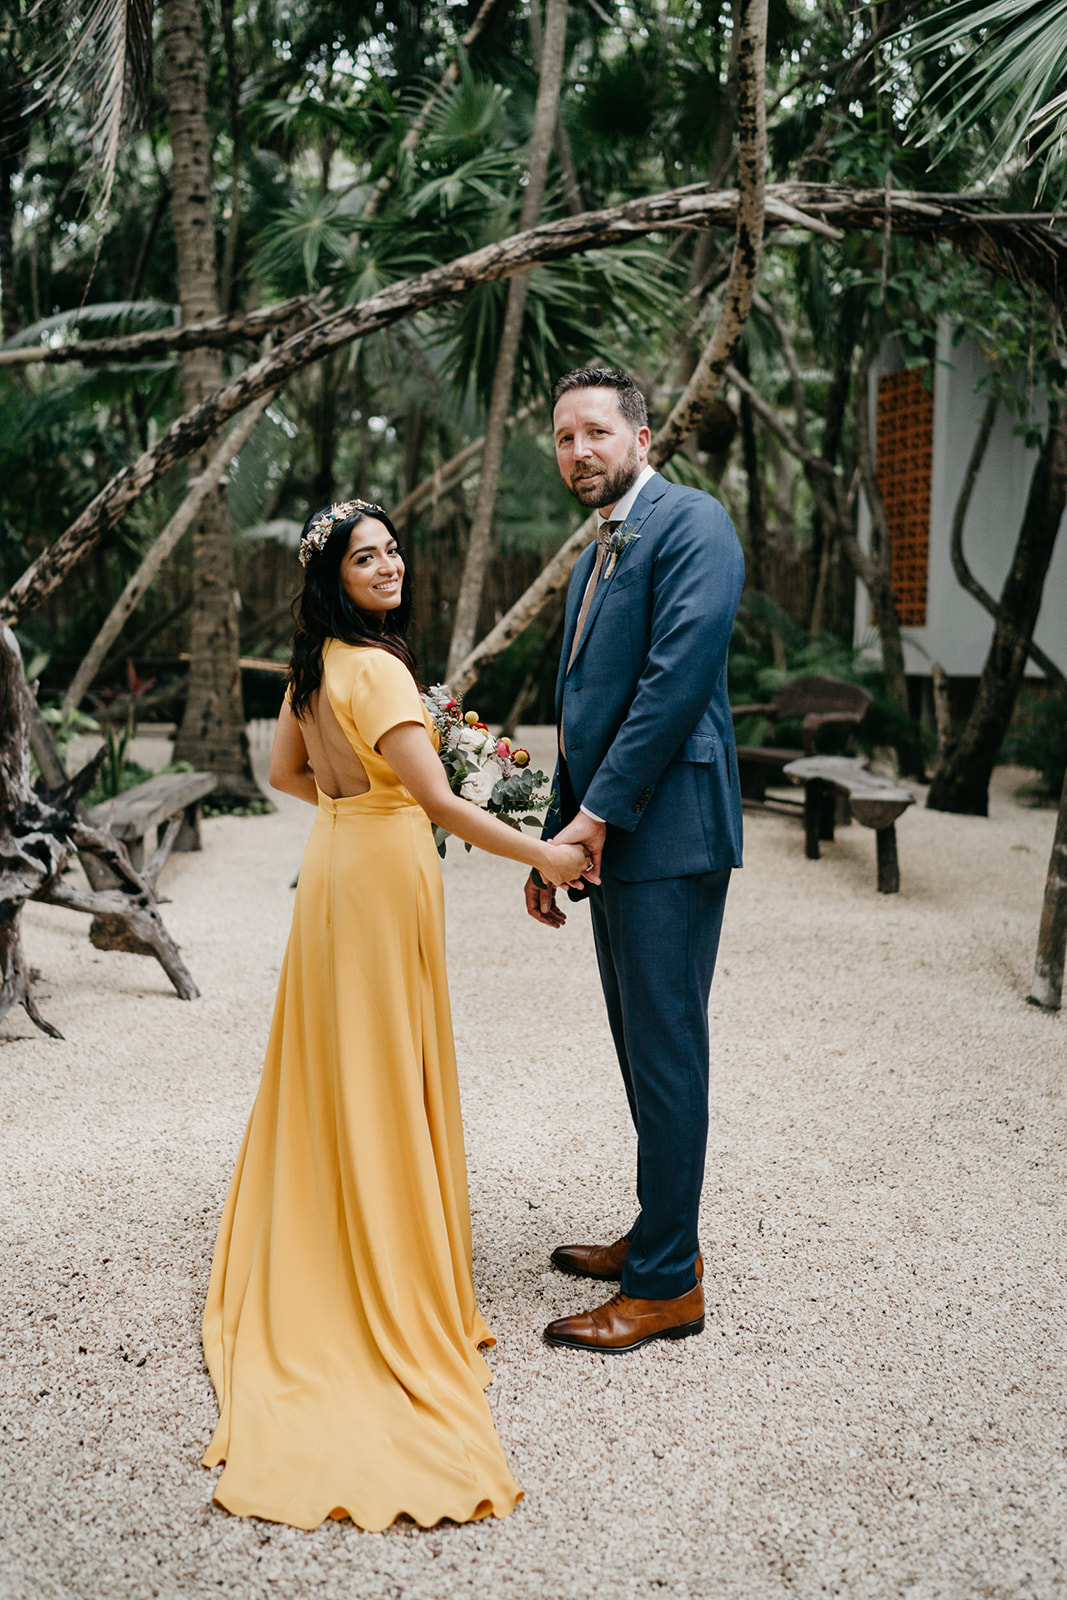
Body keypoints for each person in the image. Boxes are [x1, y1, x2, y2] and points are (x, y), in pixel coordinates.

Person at [201, 498, 588, 1530]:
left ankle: (335, 1214)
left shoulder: (315, 664)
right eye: (364, 555)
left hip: (333, 866)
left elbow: (284, 773)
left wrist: (351, 799)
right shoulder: (376, 670)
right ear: (332, 572)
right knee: (381, 1060)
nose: (387, 565)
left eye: (390, 550)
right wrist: (544, 851)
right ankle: (381, 1251)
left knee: (339, 1055)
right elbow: (442, 805)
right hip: (379, 872)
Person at [525, 369, 745, 1355]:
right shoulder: (594, 553)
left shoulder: (693, 524)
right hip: (608, 839)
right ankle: (660, 1233)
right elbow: (584, 709)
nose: (577, 451)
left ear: (641, 436)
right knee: (638, 1047)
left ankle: (665, 1288)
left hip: (669, 832)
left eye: (594, 433)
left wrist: (597, 817)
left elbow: (670, 681)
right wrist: (551, 839)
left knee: (665, 1052)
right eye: (563, 437)